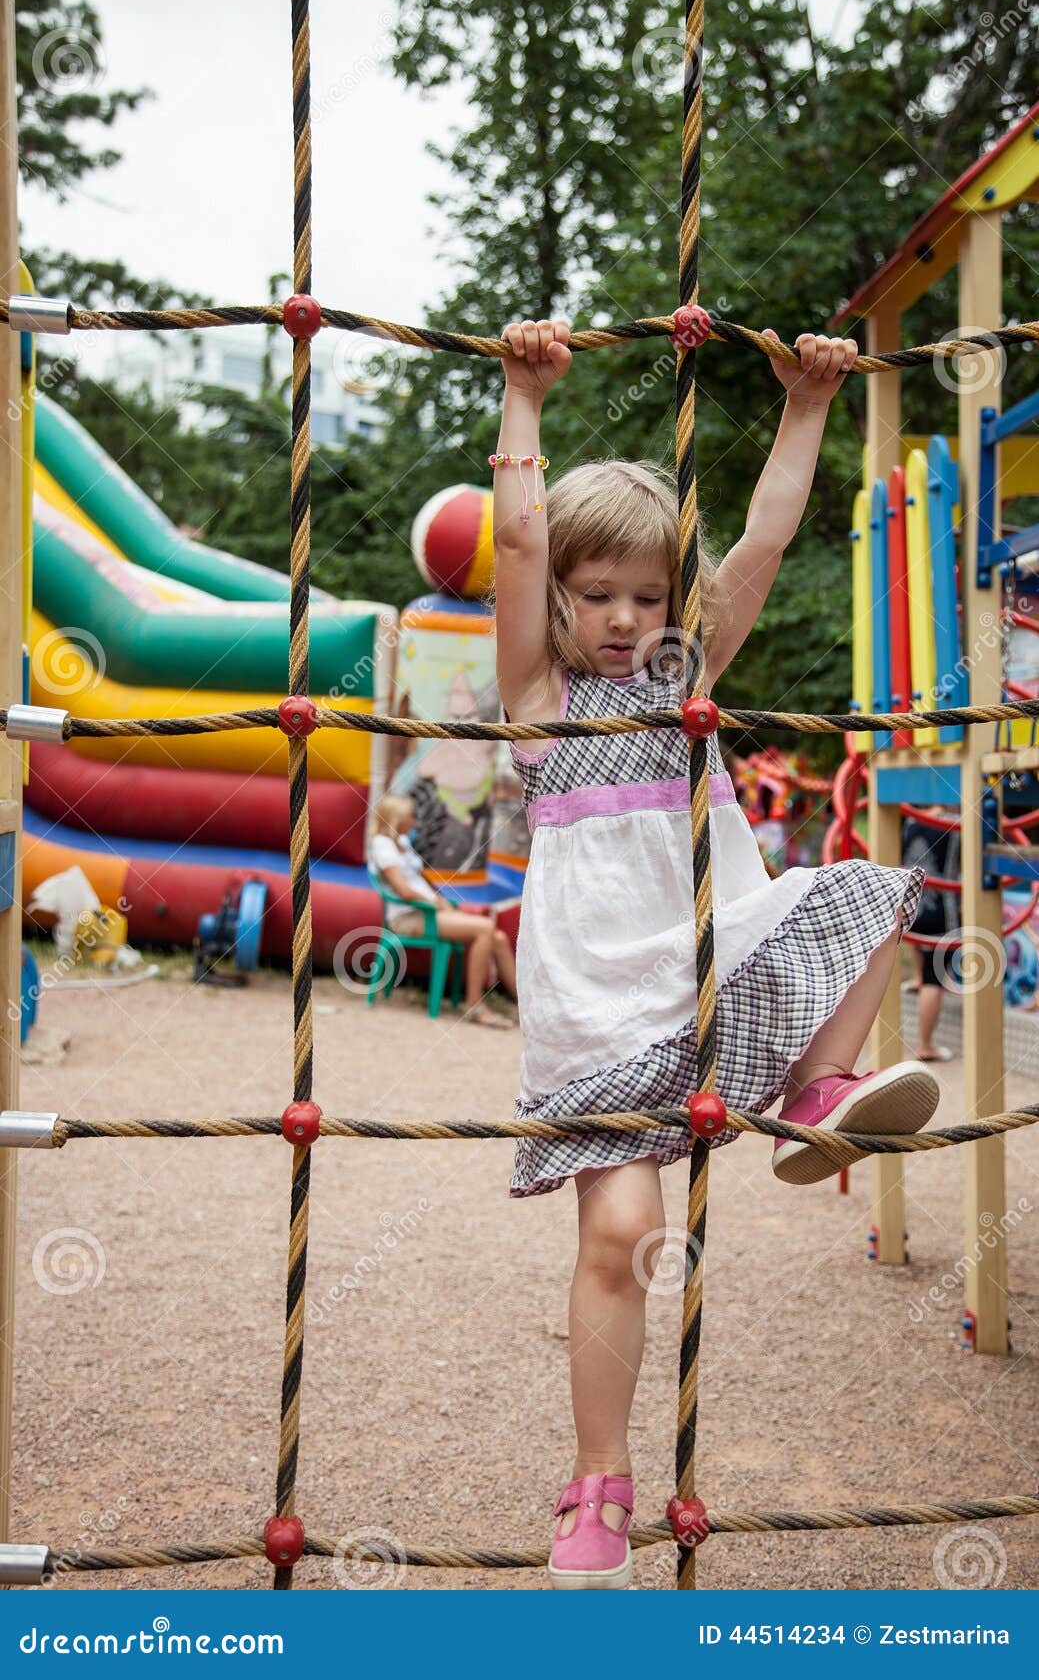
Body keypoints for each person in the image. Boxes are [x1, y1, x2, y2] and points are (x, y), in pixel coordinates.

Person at [492, 316, 935, 1590]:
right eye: (598, 595)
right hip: (600, 1008)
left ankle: (815, 1091)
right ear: (560, 598)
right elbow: (519, 537)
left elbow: (761, 542)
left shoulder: (687, 675)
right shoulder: (539, 704)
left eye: (646, 595)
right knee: (621, 1232)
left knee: (874, 894)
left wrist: (803, 408)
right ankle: (598, 1484)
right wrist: (524, 399)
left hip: (707, 957)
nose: (625, 620)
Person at [368, 795, 516, 1028]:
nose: (414, 821)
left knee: (498, 937)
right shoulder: (382, 846)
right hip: (410, 917)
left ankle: (526, 1005)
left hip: (429, 911)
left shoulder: (403, 843)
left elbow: (419, 882)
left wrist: (441, 902)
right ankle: (474, 1004)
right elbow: (404, 891)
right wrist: (435, 904)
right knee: (486, 929)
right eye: (409, 816)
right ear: (395, 819)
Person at [901, 808, 961, 1061]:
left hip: (914, 903)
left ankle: (916, 977)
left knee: (919, 946)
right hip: (941, 907)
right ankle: (926, 1045)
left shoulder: (914, 819)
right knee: (933, 980)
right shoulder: (959, 824)